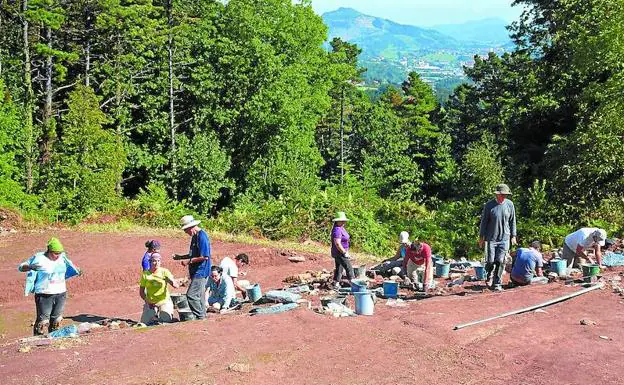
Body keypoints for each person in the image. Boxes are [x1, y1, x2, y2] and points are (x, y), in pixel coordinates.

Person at [18, 238, 81, 335]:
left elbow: (71, 266)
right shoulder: (39, 258)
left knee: (57, 320)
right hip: (44, 294)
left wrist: (77, 270)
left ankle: (54, 339)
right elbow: (21, 267)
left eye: (59, 253)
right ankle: (37, 340)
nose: (58, 255)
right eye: (55, 253)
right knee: (43, 321)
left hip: (61, 293)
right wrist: (30, 267)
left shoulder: (62, 257)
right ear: (49, 250)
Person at [479, 183, 517, 291]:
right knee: (490, 261)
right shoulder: (489, 205)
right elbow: (484, 222)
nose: (504, 196)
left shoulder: (510, 205)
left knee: (501, 261)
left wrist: (513, 235)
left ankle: (497, 283)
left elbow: (512, 221)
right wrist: (481, 237)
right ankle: (489, 274)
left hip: (505, 238)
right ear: (497, 195)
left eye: (505, 194)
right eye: (502, 194)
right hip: (491, 238)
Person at [176, 215, 211, 320]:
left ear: (191, 227)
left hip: (201, 271)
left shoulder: (202, 236)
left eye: (186, 230)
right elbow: (193, 254)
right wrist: (181, 257)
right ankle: (202, 316)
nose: (186, 232)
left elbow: (204, 256)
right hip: (196, 271)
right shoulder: (195, 236)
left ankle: (199, 316)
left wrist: (189, 261)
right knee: (199, 297)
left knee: (191, 295)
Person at [139, 253, 179, 324]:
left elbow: (172, 282)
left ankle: (167, 315)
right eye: (154, 261)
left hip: (164, 301)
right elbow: (141, 292)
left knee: (166, 320)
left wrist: (173, 283)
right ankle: (154, 315)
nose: (156, 263)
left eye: (158, 261)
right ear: (150, 262)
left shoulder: (164, 272)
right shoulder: (145, 274)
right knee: (144, 323)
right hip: (151, 303)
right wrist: (147, 301)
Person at [331, 211, 354, 288]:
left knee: (339, 268)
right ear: (337, 221)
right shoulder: (337, 230)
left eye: (344, 220)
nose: (344, 222)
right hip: (339, 252)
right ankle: (353, 284)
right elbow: (337, 243)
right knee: (349, 267)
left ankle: (336, 283)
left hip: (341, 251)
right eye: (342, 221)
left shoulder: (341, 228)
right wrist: (344, 252)